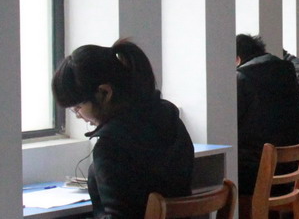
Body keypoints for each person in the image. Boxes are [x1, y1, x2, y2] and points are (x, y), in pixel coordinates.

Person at [52, 39, 193, 219]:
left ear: (104, 93)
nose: (78, 115)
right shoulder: (172, 121)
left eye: (78, 107)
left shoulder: (111, 146)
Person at [236, 34, 299, 194]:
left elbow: (234, 122)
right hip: (292, 162)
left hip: (258, 169)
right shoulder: (287, 69)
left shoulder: (242, 78)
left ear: (238, 59)